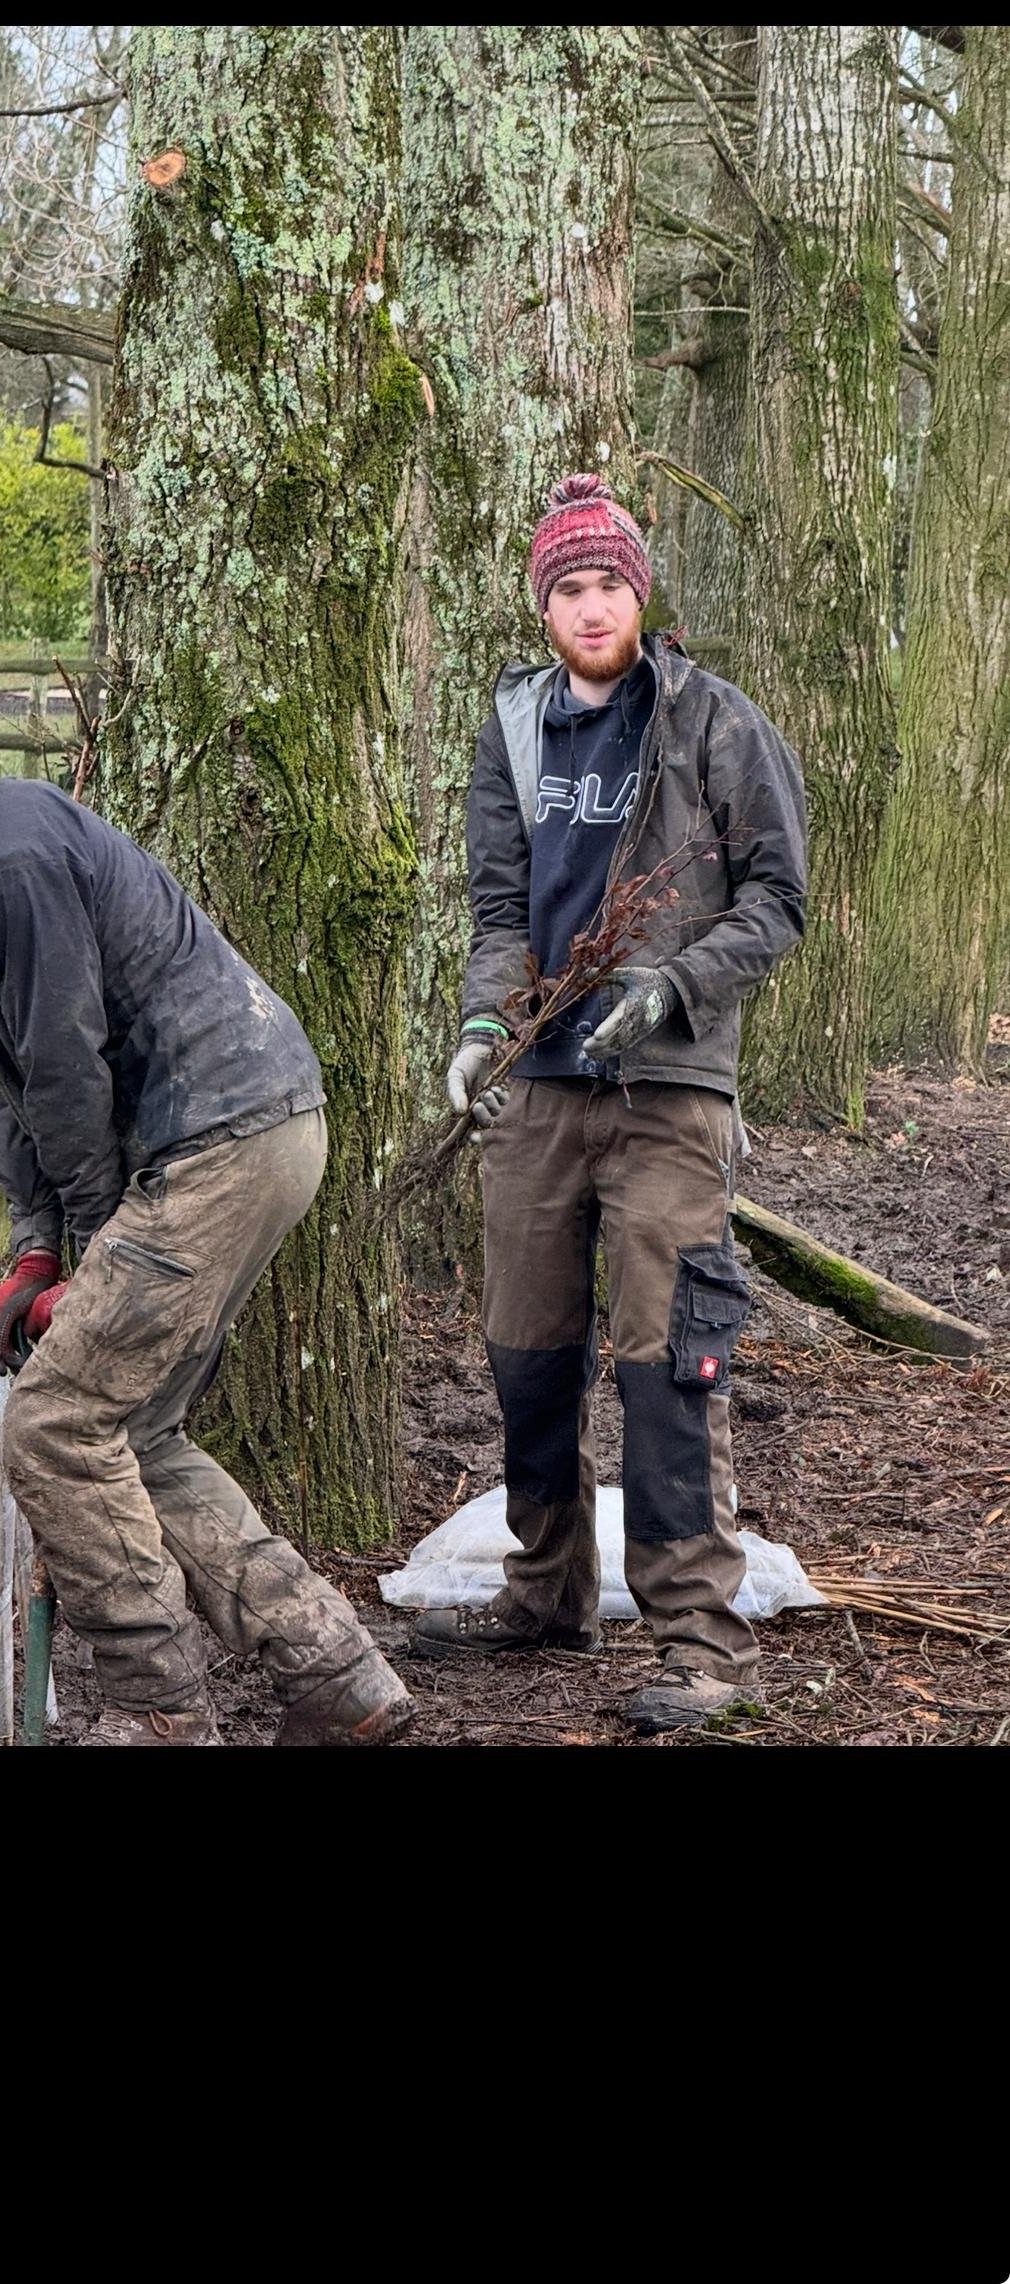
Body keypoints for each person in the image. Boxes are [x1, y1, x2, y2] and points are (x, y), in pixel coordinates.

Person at [0, 650, 415, 1749]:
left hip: (214, 1138)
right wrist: (42, 1247)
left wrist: (84, 1246)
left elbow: (68, 1072)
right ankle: (335, 1678)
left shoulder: (0, 852)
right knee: (133, 1426)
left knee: (56, 1424)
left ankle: (158, 1706)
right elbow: (5, 1075)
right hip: (252, 1126)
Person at [412, 474, 807, 1734]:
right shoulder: (517, 726)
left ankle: (698, 1644)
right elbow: (494, 907)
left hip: (669, 1095)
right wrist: (485, 1027)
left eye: (611, 584)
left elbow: (777, 902)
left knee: (666, 1364)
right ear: (544, 605)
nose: (592, 607)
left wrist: (678, 986)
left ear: (643, 593)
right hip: (539, 1090)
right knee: (526, 1353)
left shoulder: (712, 723)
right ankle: (546, 1591)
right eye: (569, 588)